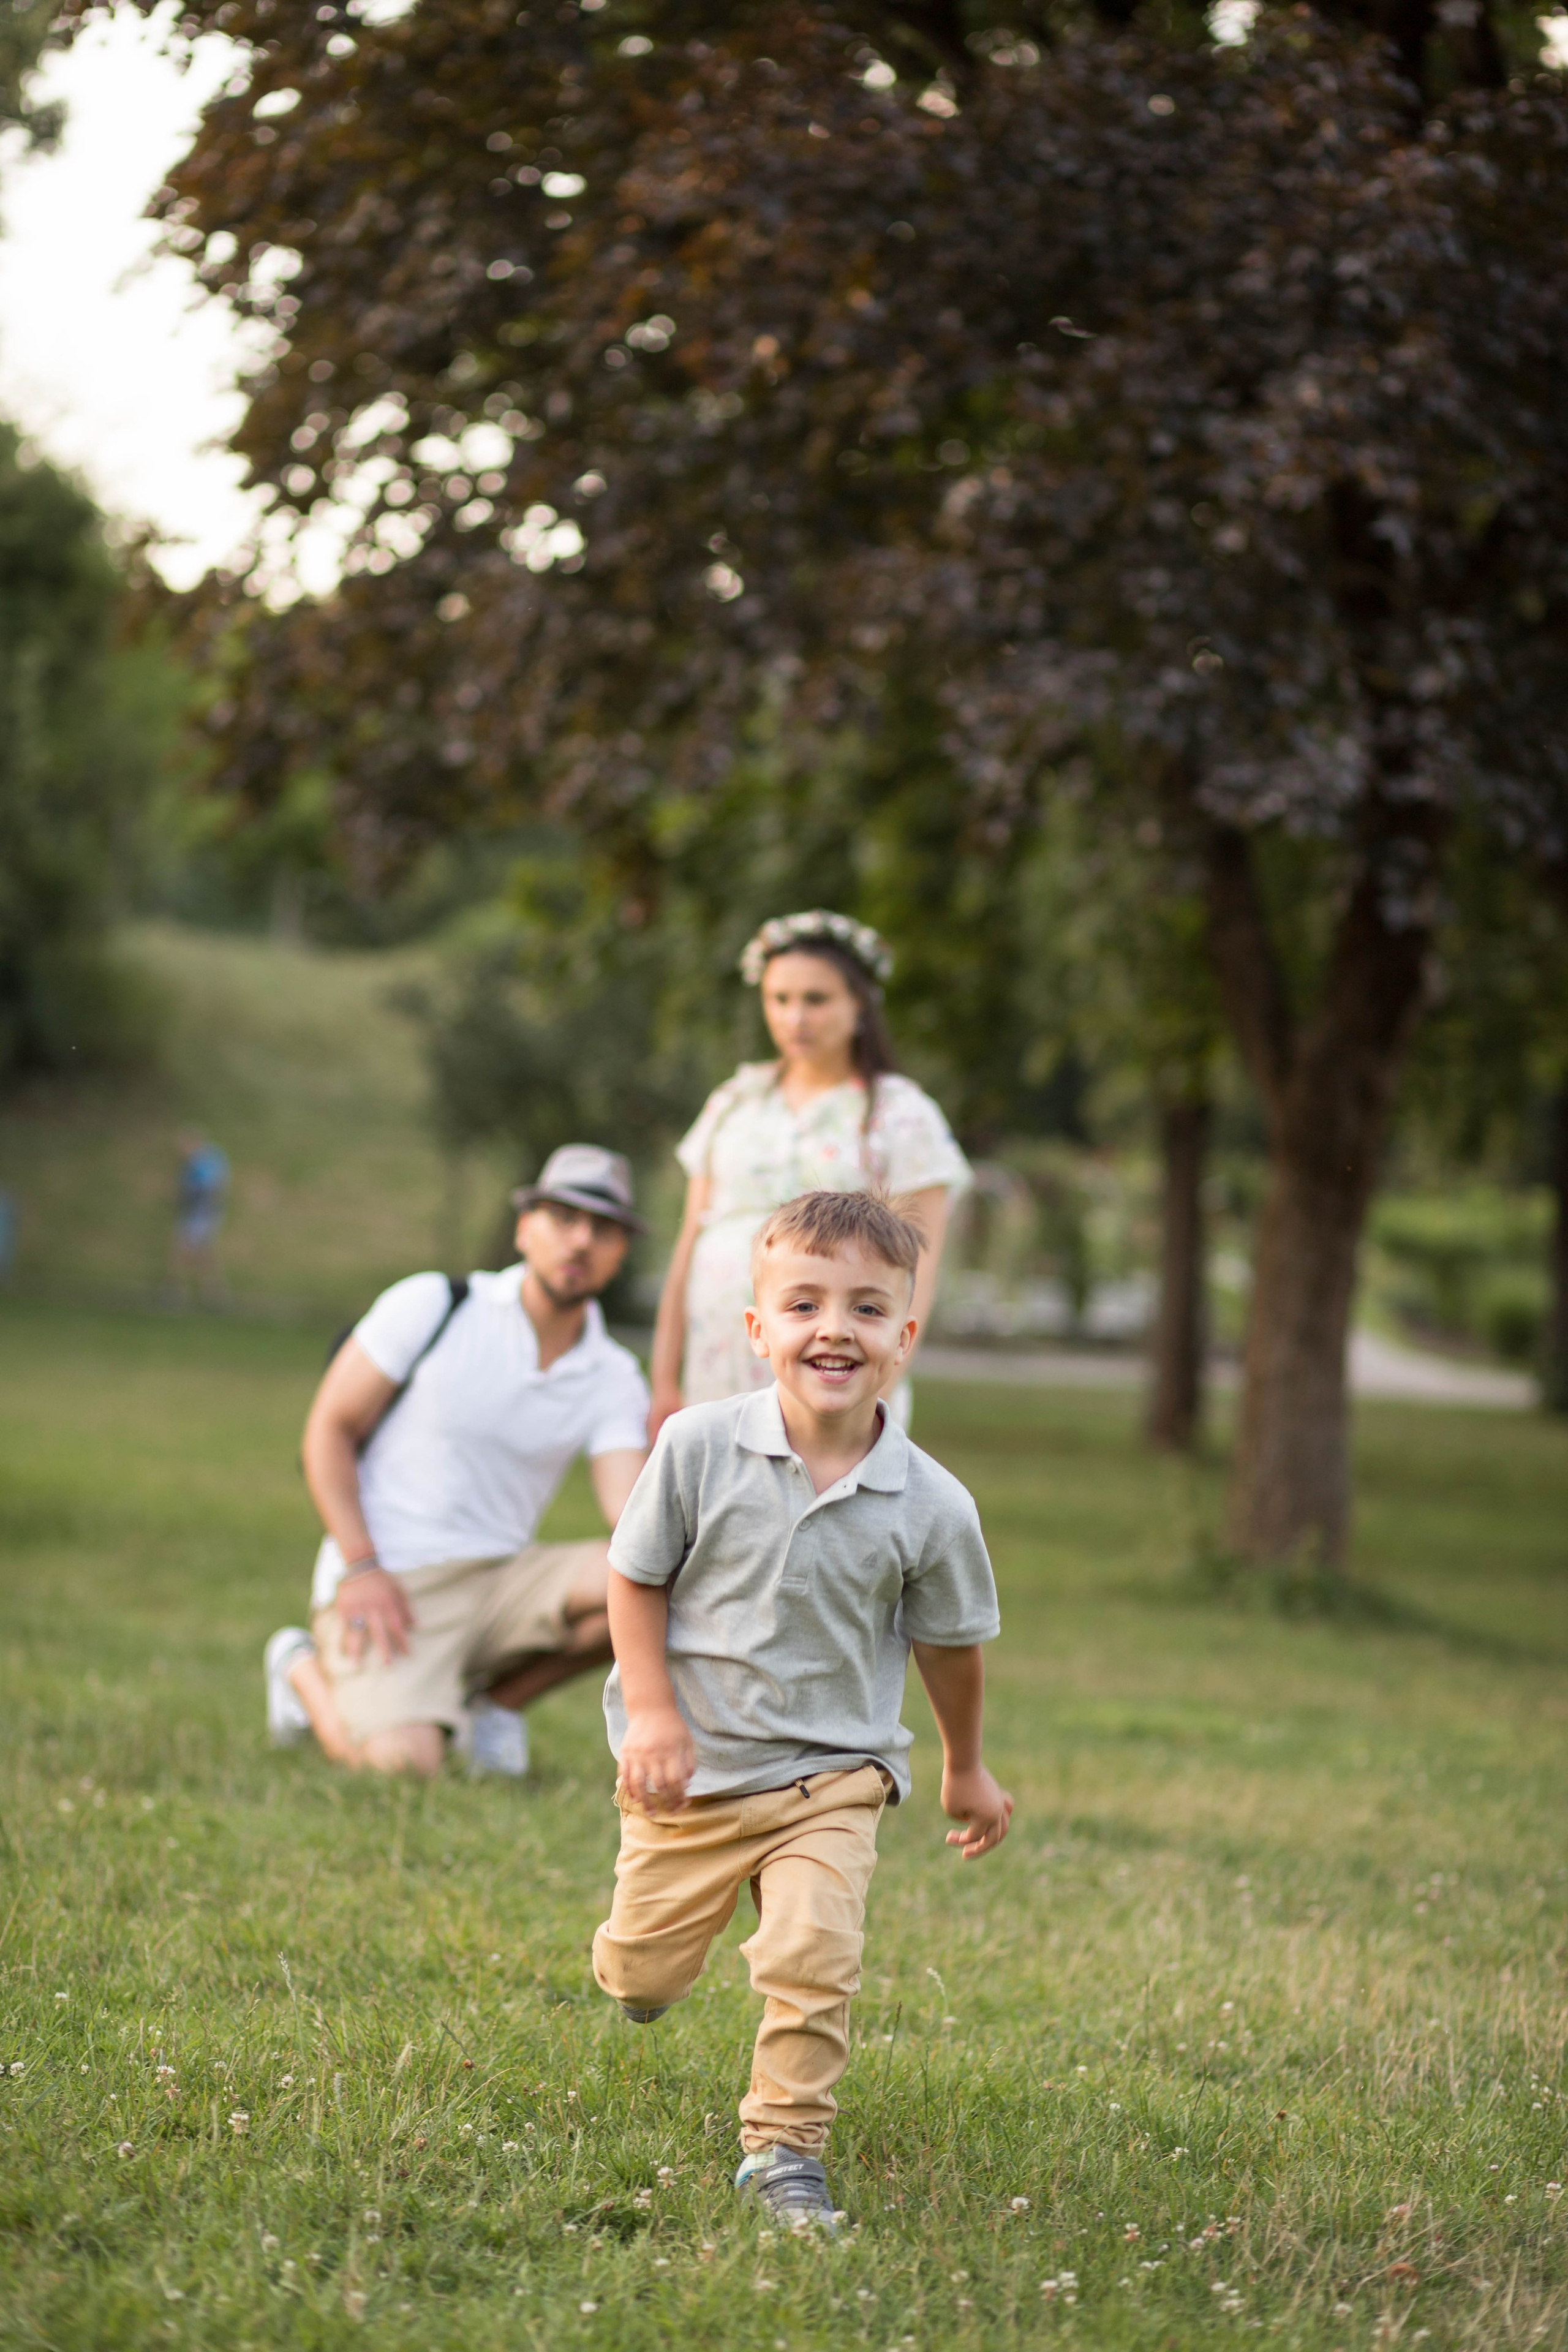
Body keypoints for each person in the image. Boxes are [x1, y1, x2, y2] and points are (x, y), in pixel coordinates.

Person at [594, 1189, 1012, 2230]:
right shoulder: (695, 1447)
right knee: (638, 1977)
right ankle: (660, 1949)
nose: (835, 1328)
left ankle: (784, 2153)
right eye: (805, 1304)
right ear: (757, 1329)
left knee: (815, 1960)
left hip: (835, 1775)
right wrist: (651, 1713)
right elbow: (635, 1579)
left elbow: (950, 1646)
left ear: (904, 1338)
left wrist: (964, 1765)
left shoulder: (933, 1504)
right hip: (687, 1772)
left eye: (868, 1309)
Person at [263, 1145, 652, 1780]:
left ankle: (496, 1706)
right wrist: (361, 1565)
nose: (581, 1240)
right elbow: (328, 1429)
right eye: (564, 1217)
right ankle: (300, 1668)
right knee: (401, 1768)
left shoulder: (611, 1374)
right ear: (526, 1228)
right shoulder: (434, 1305)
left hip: (503, 1579)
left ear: (619, 1253)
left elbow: (631, 1518)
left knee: (656, 1578)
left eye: (604, 1229)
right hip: (391, 1577)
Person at [649, 909, 970, 1438]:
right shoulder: (735, 1102)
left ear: (859, 1005)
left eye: (816, 1000)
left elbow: (921, 1269)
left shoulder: (900, 1114)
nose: (796, 1017)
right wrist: (664, 1378)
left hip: (835, 1367)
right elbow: (688, 1244)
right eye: (781, 999)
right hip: (716, 1362)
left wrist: (876, 1392)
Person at [167, 1129, 230, 1308]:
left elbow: (209, 1191)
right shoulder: (194, 1163)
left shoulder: (205, 1162)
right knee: (203, 1255)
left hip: (202, 1214)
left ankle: (177, 1292)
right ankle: (213, 1294)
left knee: (183, 1251)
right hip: (196, 1214)